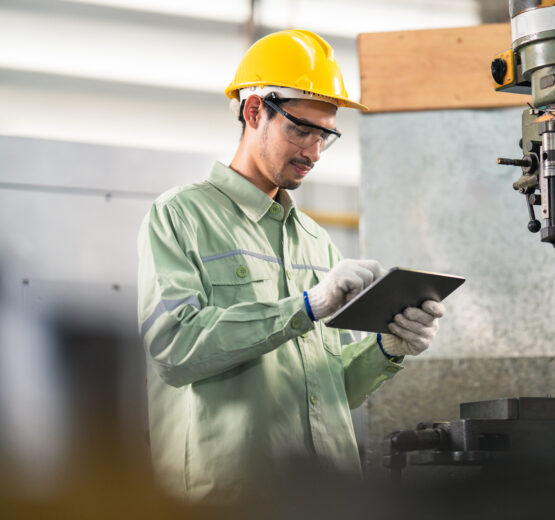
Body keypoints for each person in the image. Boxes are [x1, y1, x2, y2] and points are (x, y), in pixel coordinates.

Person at [136, 29, 445, 503]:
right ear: (254, 110)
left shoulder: (315, 242)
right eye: (301, 129)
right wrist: (305, 306)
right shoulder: (181, 216)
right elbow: (173, 350)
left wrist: (387, 348)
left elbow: (333, 387)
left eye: (326, 135)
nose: (314, 153)